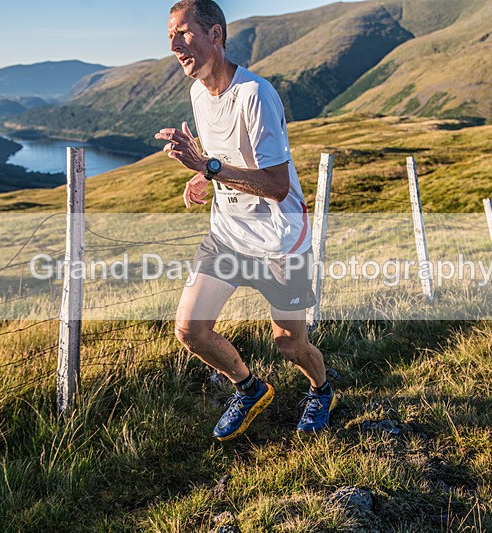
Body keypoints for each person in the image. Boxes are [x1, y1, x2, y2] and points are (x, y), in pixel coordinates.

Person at [155, 0, 335, 441]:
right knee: (191, 330)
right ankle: (250, 388)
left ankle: (321, 390)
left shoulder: (255, 94)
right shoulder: (198, 93)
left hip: (280, 241)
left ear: (215, 34)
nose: (175, 45)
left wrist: (208, 166)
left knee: (289, 344)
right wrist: (204, 176)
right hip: (229, 236)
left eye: (184, 33)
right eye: (170, 36)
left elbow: (276, 185)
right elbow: (226, 157)